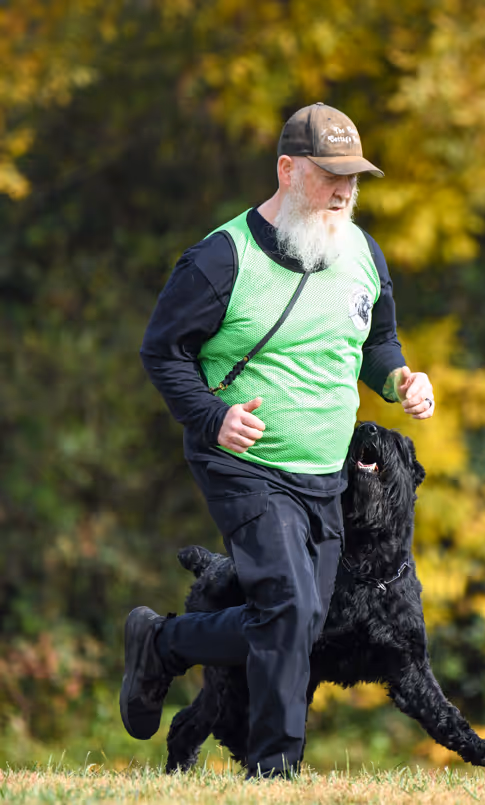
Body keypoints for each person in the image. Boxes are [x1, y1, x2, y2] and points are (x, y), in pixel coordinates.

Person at [120, 102, 435, 778]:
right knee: (289, 607)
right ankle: (274, 771)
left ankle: (164, 641)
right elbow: (162, 351)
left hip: (326, 471)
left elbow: (375, 341)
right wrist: (212, 416)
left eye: (352, 177)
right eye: (329, 176)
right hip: (244, 463)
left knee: (295, 619)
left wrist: (400, 379)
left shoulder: (360, 252)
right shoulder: (219, 259)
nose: (344, 191)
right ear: (287, 170)